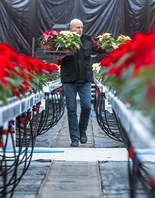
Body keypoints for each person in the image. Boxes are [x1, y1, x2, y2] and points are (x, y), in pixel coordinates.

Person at [55, 18, 106, 147]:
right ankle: (75, 138)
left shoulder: (88, 40)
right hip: (69, 80)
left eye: (81, 27)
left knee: (87, 106)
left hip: (85, 79)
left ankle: (82, 130)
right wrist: (61, 58)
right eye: (77, 27)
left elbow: (100, 49)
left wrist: (113, 46)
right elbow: (57, 59)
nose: (80, 30)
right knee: (71, 109)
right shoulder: (63, 40)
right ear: (71, 29)